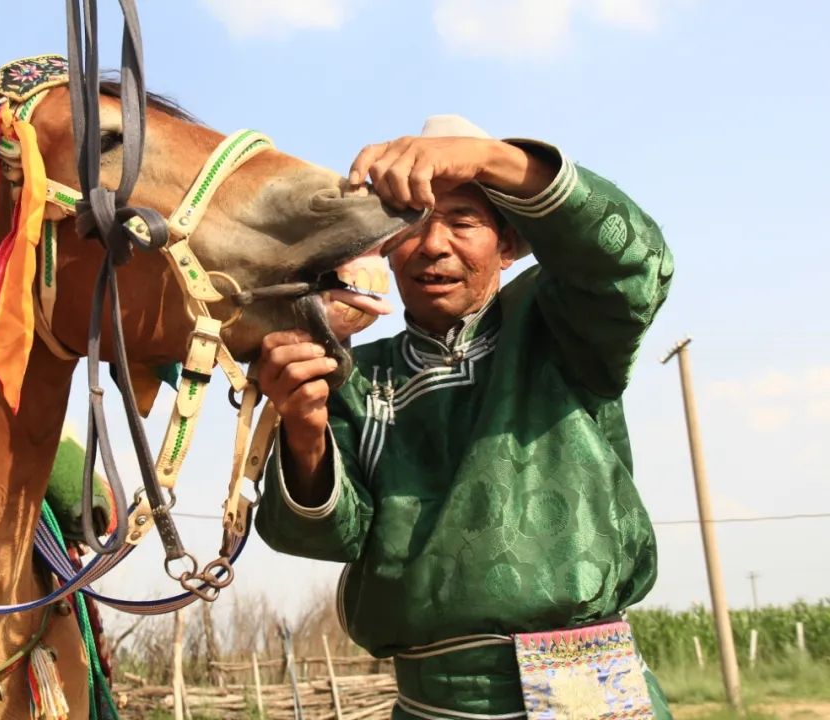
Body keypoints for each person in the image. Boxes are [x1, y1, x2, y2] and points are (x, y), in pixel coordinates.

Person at [254, 115, 674, 719]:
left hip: (586, 690)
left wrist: (486, 158)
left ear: (507, 246)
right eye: (412, 223)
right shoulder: (351, 376)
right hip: (433, 701)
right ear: (385, 249)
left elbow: (636, 262)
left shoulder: (559, 323)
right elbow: (324, 536)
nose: (432, 244)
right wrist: (303, 427)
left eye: (463, 220)